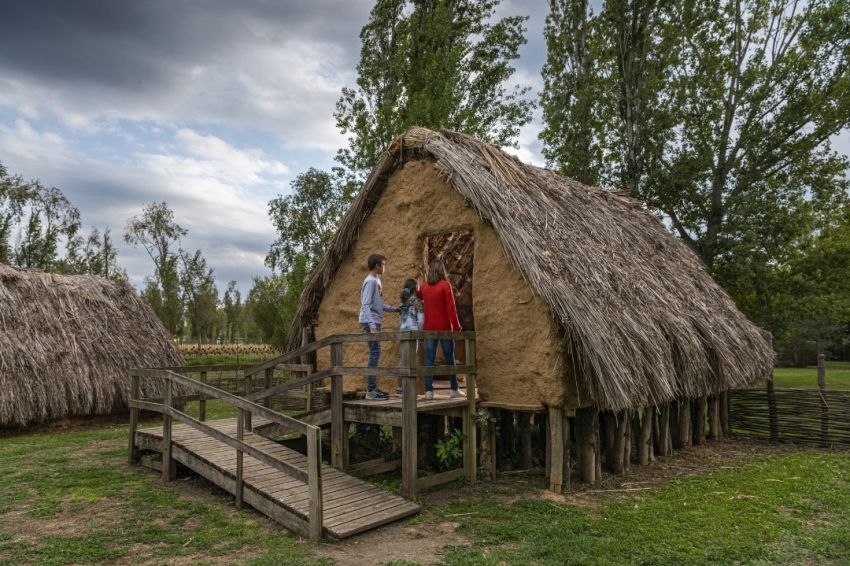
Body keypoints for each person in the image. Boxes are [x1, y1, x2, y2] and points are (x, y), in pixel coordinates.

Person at [417, 258, 465, 400]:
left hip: (429, 328)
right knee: (450, 358)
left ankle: (429, 391)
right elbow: (452, 310)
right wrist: (457, 328)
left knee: (429, 358)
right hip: (444, 327)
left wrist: (419, 285)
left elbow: (419, 297)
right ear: (442, 270)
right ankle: (454, 389)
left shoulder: (424, 287)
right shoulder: (445, 286)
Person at [359, 253, 399, 400]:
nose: (384, 267)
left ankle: (372, 388)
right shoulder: (370, 282)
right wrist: (372, 326)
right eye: (383, 264)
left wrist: (394, 309)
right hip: (370, 321)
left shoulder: (377, 281)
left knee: (375, 351)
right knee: (375, 352)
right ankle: (371, 390)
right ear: (377, 266)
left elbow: (377, 305)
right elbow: (366, 306)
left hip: (374, 320)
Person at [396, 278, 425, 398]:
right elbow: (421, 319)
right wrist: (421, 333)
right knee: (411, 360)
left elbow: (401, 319)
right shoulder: (417, 302)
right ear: (416, 288)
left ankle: (400, 388)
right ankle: (409, 389)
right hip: (413, 333)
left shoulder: (402, 303)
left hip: (402, 332)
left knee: (404, 359)